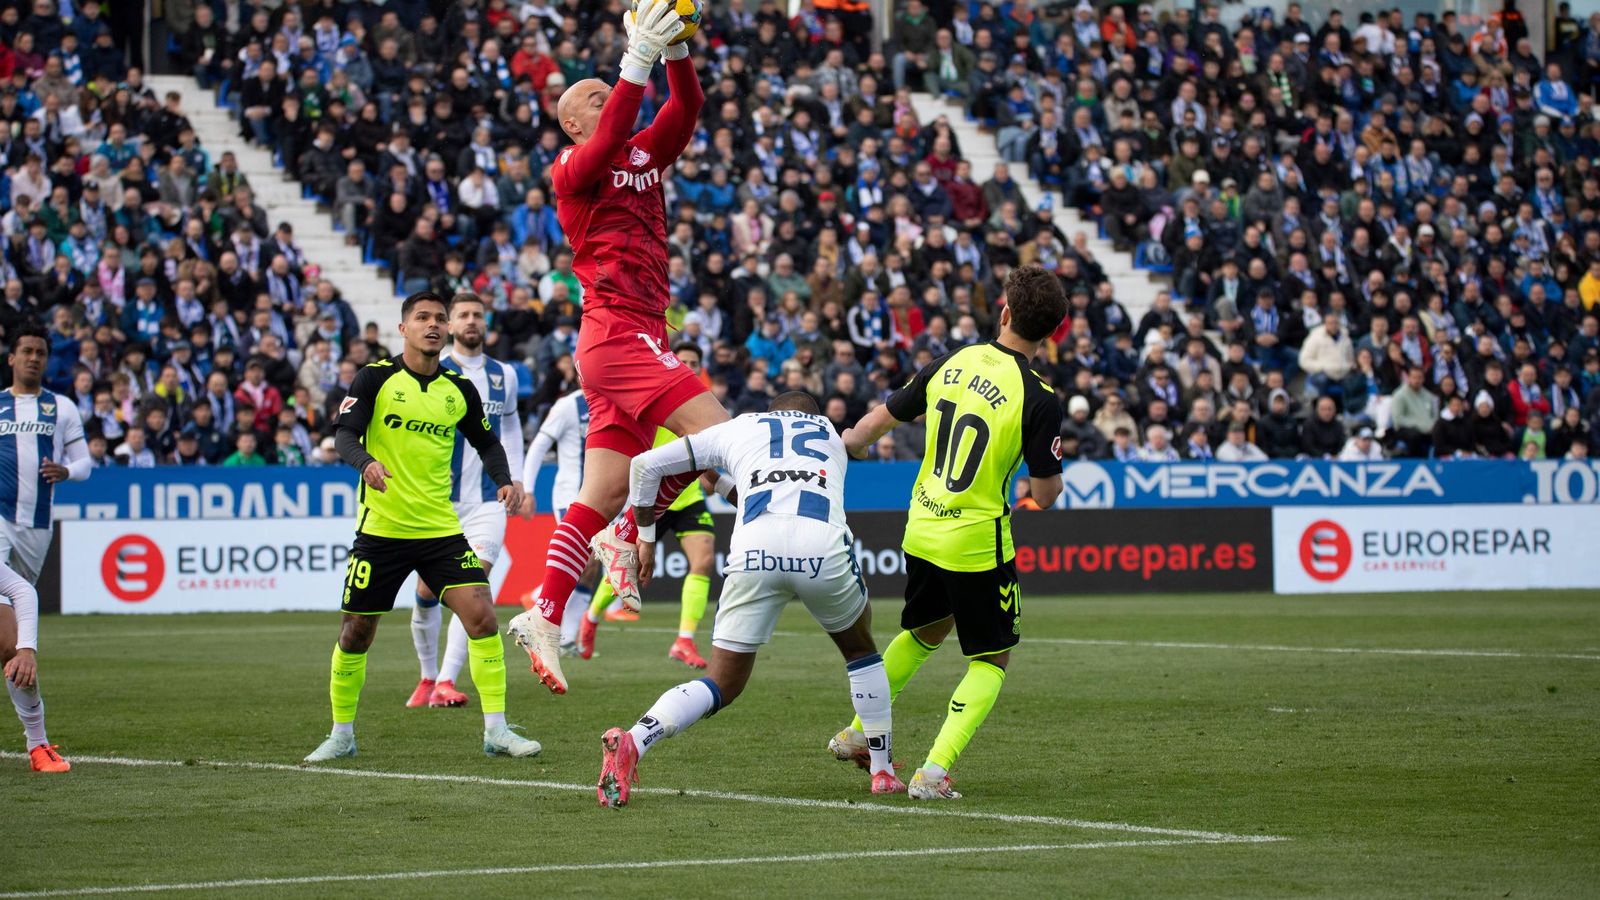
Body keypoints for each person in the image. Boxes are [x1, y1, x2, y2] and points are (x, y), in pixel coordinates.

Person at [506, 2, 731, 697]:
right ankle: (631, 528)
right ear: (574, 122)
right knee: (725, 436)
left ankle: (544, 613)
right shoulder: (573, 165)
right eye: (598, 101)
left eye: (612, 95)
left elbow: (686, 110)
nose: (613, 104)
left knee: (599, 490)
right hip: (616, 335)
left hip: (628, 340)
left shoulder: (639, 153)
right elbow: (607, 139)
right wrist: (635, 57)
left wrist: (675, 51)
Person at [827, 265, 1067, 800]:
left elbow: (867, 429)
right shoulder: (1040, 395)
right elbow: (1047, 494)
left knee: (925, 631)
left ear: (1003, 313)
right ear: (1049, 333)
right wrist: (1018, 500)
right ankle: (933, 772)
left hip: (922, 525)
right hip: (976, 540)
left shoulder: (953, 361)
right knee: (991, 658)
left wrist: (848, 446)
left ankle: (859, 731)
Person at [596, 391, 903, 807]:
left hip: (755, 550)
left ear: (769, 413)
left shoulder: (741, 425)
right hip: (820, 548)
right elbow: (794, 489)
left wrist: (646, 538)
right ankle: (882, 770)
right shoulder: (831, 432)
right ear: (812, 414)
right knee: (860, 651)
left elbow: (644, 466)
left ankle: (635, 739)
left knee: (723, 682)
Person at [304, 291, 536, 763]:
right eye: (422, 318)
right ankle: (342, 734)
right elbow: (344, 434)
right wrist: (365, 462)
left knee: (482, 616)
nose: (433, 325)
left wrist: (504, 480)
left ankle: (496, 730)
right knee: (357, 633)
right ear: (403, 328)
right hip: (382, 530)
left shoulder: (458, 389)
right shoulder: (376, 379)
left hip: (439, 530)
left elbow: (487, 442)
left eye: (439, 319)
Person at [405, 294, 526, 710]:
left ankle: (445, 680)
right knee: (424, 593)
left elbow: (509, 429)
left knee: (472, 586)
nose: (472, 321)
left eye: (478, 314)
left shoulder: (503, 374)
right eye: (464, 315)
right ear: (450, 326)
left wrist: (516, 478)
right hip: (436, 501)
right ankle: (426, 676)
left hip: (486, 502)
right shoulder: (431, 370)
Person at [0, 324, 89, 773]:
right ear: (11, 357)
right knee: (11, 640)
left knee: (8, 639)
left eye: (40, 352)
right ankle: (39, 746)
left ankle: (38, 746)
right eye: (26, 351)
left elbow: (85, 463)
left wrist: (67, 472)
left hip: (36, 529)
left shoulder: (62, 407)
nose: (33, 358)